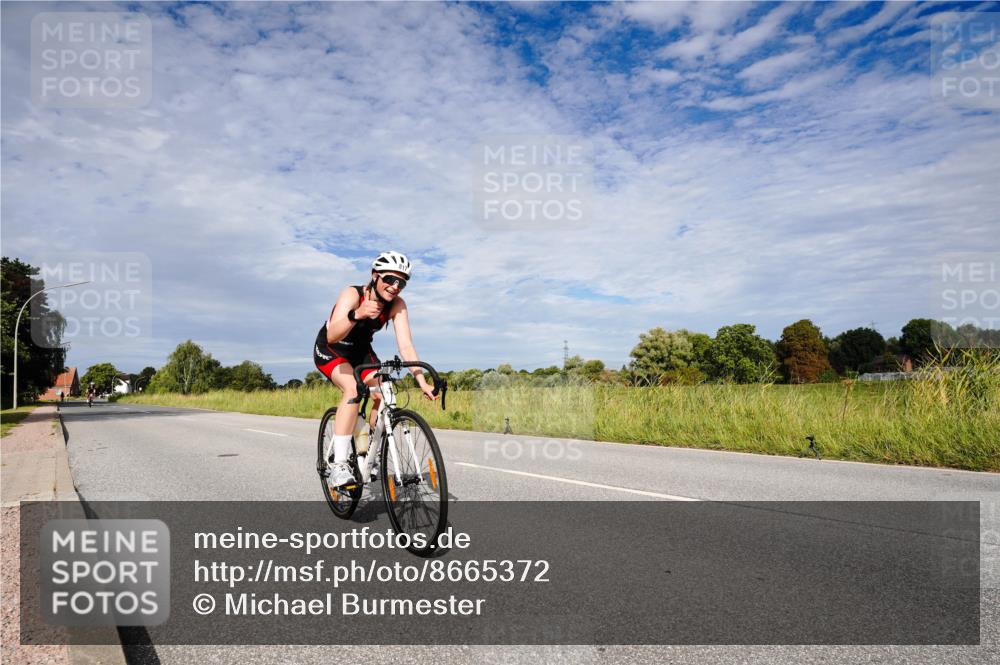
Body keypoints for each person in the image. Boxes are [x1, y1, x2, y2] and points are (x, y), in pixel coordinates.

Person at [313, 251, 437, 487]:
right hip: (332, 349)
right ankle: (339, 464)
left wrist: (422, 381)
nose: (395, 286)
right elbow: (332, 334)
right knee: (352, 390)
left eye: (402, 282)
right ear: (375, 276)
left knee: (385, 389)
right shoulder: (353, 294)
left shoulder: (397, 305)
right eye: (390, 279)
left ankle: (368, 451)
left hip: (361, 351)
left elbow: (406, 346)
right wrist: (356, 314)